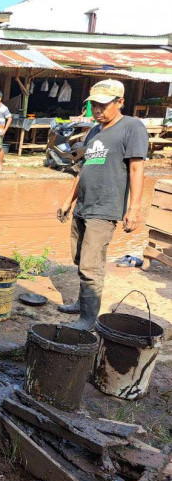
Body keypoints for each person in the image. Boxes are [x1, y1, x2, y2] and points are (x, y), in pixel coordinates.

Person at [56, 79, 147, 331]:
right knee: (79, 258)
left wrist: (134, 208)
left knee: (91, 264)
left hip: (105, 207)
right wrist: (68, 200)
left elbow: (137, 168)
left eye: (103, 105)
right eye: (94, 104)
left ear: (120, 102)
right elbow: (82, 168)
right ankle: (81, 303)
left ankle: (88, 319)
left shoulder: (132, 127)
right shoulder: (95, 131)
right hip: (83, 205)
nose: (97, 110)